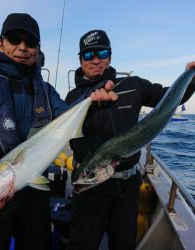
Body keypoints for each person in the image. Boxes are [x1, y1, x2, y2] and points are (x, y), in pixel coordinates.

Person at [0, 15, 117, 250]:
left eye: (30, 42)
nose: (22, 47)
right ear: (1, 43)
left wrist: (94, 99)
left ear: (37, 49)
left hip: (34, 191)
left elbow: (69, 115)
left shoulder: (45, 90)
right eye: (14, 39)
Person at [65, 29, 195, 250]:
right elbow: (75, 141)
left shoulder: (134, 84)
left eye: (101, 53)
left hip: (128, 184)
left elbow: (171, 98)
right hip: (91, 186)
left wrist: (189, 76)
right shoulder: (73, 98)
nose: (95, 60)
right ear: (80, 60)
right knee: (82, 242)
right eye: (88, 55)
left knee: (123, 241)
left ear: (110, 56)